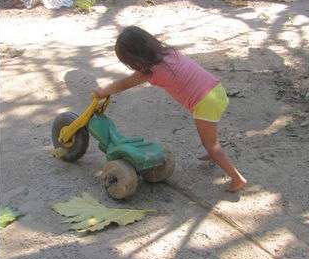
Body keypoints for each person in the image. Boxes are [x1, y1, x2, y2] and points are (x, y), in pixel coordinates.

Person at [92, 26, 247, 192]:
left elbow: (123, 84)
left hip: (205, 103)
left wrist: (102, 91)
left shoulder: (150, 72)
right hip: (216, 89)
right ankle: (212, 154)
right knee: (210, 135)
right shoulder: (171, 53)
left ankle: (237, 178)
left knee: (210, 144)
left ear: (134, 60)